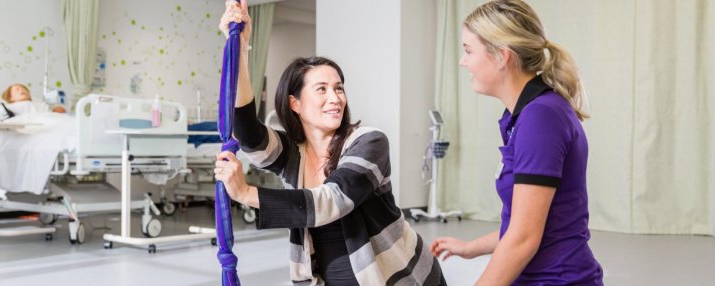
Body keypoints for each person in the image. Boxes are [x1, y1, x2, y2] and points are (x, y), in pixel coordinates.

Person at [212, 1, 446, 285]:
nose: (335, 98)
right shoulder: (292, 155)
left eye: (338, 88)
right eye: (321, 89)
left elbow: (333, 201)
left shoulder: (369, 142)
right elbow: (248, 133)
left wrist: (245, 193)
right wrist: (241, 47)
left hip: (402, 279)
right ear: (294, 103)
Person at [429, 1, 604, 285]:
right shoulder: (522, 115)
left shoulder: (540, 117)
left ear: (501, 56)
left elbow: (523, 239)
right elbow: (527, 223)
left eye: (469, 50)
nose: (463, 61)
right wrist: (471, 249)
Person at [0, 84, 66, 114]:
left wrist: (54, 111)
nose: (22, 90)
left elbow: (47, 113)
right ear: (11, 98)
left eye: (24, 89)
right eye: (17, 89)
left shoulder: (37, 104)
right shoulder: (11, 108)